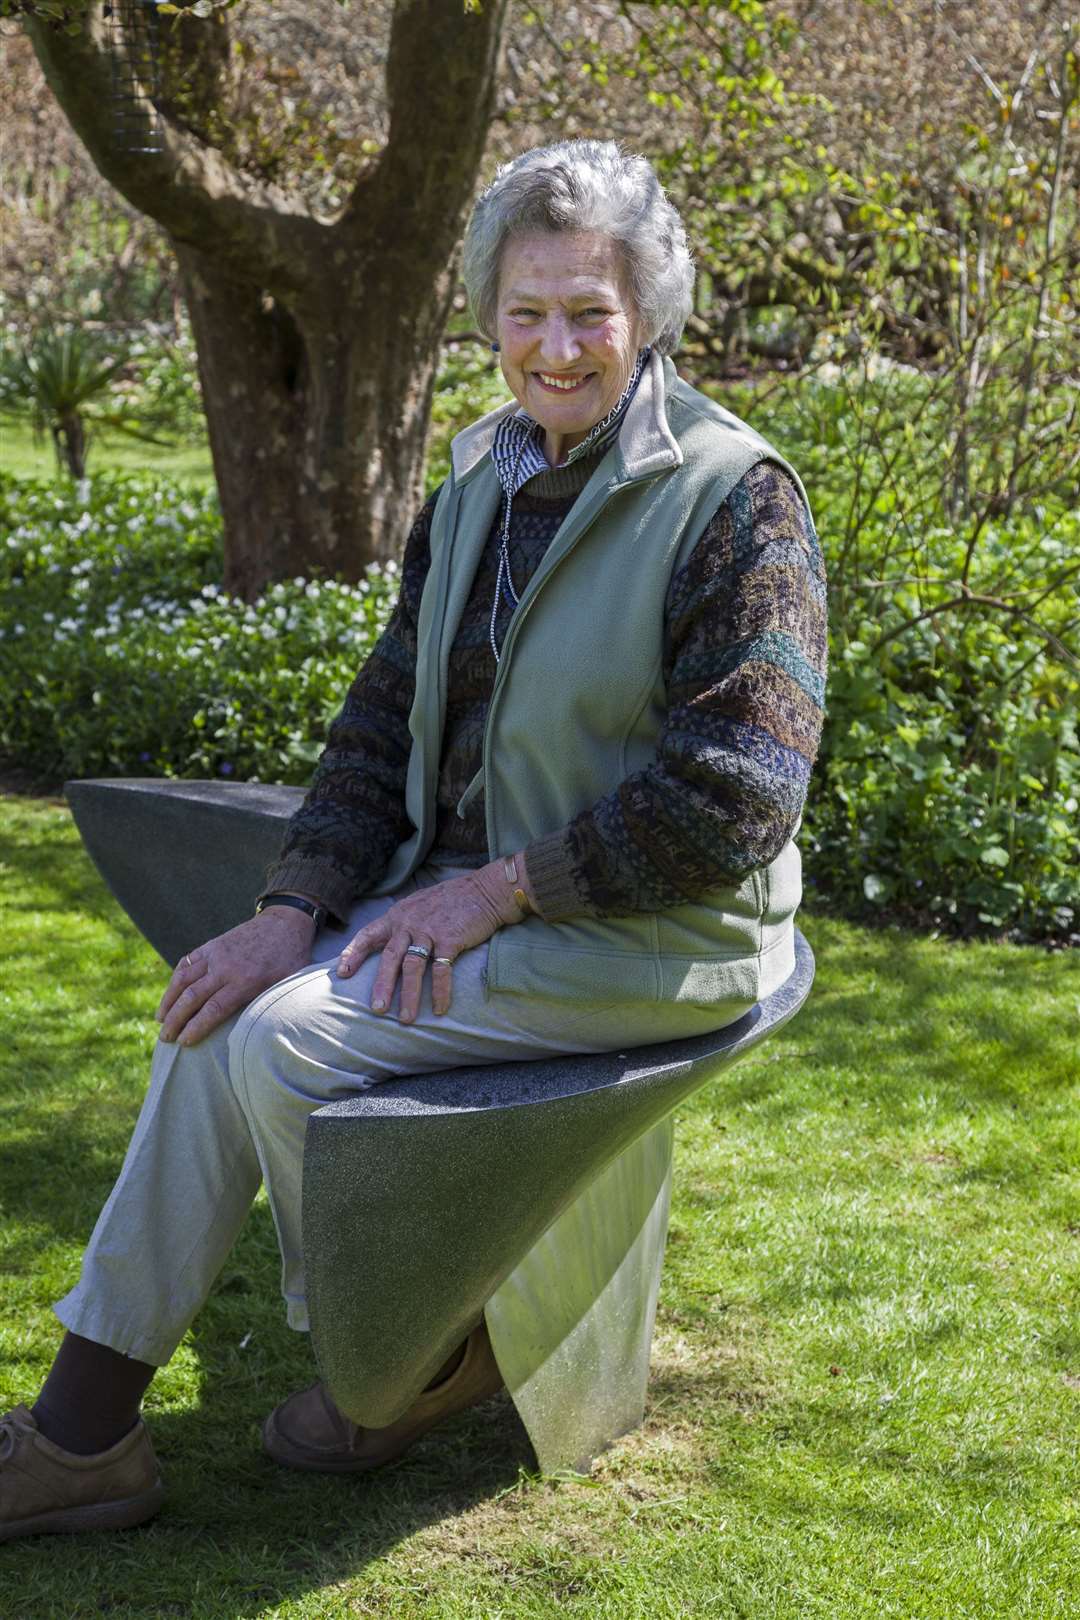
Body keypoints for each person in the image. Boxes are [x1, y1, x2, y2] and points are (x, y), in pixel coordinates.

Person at [0, 139, 827, 1542]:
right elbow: (379, 732)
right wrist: (287, 906)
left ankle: (401, 1362)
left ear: (651, 315)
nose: (555, 347)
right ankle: (85, 1434)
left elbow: (742, 795)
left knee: (282, 1040)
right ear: (486, 316)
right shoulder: (477, 493)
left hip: (661, 936)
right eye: (525, 312)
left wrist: (500, 893)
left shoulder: (734, 499)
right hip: (485, 904)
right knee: (219, 1007)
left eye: (589, 312)